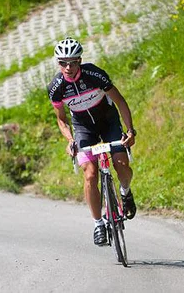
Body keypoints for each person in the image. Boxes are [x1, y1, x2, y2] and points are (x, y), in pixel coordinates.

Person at [47, 37, 137, 246]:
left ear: (80, 60)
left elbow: (120, 101)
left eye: (73, 62)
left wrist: (131, 131)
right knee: (90, 174)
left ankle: (125, 192)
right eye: (63, 63)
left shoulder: (94, 74)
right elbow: (61, 119)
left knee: (121, 164)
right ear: (58, 63)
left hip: (108, 120)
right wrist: (70, 140)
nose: (68, 67)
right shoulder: (56, 87)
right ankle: (98, 224)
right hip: (83, 128)